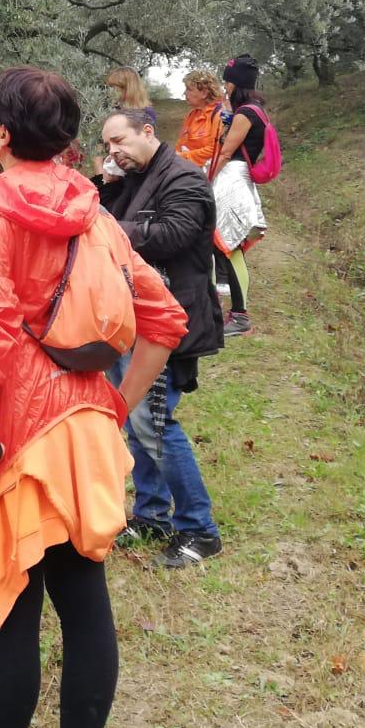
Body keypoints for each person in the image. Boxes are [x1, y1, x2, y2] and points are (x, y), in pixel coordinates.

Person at [0, 66, 187, 728]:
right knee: (83, 603)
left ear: (4, 133)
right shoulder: (95, 215)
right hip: (83, 430)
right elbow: (164, 319)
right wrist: (113, 404)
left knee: (12, 615)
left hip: (16, 433)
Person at [99, 109, 225, 567]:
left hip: (170, 319)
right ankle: (152, 514)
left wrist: (106, 231)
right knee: (136, 420)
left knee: (155, 422)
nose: (113, 151)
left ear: (147, 131)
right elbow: (109, 217)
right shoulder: (137, 177)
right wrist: (109, 184)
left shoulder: (185, 179)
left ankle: (199, 529)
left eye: (119, 141)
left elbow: (172, 235)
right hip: (135, 318)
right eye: (107, 145)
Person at [214, 55, 270, 336]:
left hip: (231, 181)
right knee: (227, 245)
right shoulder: (255, 110)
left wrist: (205, 179)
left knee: (229, 245)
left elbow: (225, 151)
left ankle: (239, 315)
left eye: (227, 80)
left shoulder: (246, 113)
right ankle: (231, 311)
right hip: (238, 178)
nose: (225, 86)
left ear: (236, 83)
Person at [174, 69, 229, 174]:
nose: (184, 93)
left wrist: (183, 156)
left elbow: (216, 150)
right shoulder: (192, 115)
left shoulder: (220, 114)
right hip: (187, 172)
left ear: (204, 93)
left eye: (189, 89)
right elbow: (180, 144)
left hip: (207, 176)